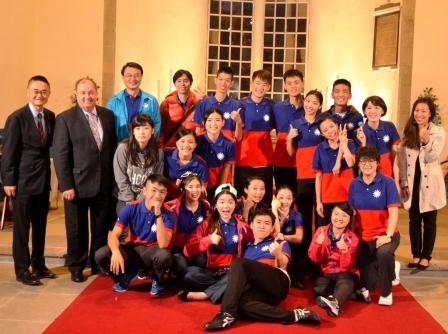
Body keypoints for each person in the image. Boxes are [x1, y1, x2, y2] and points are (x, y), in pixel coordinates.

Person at [203, 206, 320, 331]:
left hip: (278, 281)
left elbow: (283, 263)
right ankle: (295, 315)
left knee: (239, 263)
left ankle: (226, 313)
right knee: (241, 305)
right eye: (258, 222)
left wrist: (278, 254)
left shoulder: (278, 242)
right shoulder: (247, 246)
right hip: (261, 290)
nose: (262, 226)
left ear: (271, 228)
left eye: (267, 223)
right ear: (251, 225)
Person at [53, 77, 117, 283]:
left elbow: (111, 150)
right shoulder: (65, 119)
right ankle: (77, 266)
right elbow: (61, 155)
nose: (87, 96)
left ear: (96, 93)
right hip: (77, 186)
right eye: (83, 93)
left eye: (90, 92)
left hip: (103, 184)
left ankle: (97, 263)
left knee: (100, 227)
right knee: (76, 229)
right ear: (76, 95)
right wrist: (66, 185)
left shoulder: (108, 116)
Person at [1, 75, 56, 285]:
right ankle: (22, 270)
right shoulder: (17, 118)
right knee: (22, 229)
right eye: (35, 91)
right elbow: (9, 153)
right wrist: (8, 181)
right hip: (22, 182)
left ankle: (39, 265)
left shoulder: (50, 116)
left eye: (44, 91)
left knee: (41, 226)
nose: (39, 95)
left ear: (49, 94)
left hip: (42, 181)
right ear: (28, 92)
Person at [95, 174, 175, 295]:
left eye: (162, 192)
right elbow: (113, 234)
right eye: (153, 190)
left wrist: (158, 214)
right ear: (145, 190)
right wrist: (116, 252)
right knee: (102, 255)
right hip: (132, 250)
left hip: (152, 252)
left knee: (165, 256)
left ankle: (157, 280)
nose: (158, 195)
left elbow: (163, 244)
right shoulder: (131, 208)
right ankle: (125, 276)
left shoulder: (169, 213)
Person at [181, 184, 252, 301]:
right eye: (222, 202)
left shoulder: (242, 226)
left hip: (232, 271)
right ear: (215, 205)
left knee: (240, 276)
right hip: (212, 272)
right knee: (189, 274)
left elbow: (255, 241)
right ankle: (224, 290)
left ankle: (206, 294)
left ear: (235, 205)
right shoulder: (206, 225)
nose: (226, 206)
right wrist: (208, 240)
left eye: (230, 202)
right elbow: (187, 250)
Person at [349, 146, 400, 305]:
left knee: (384, 253)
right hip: (364, 236)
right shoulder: (354, 184)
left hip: (385, 233)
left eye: (371, 161)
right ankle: (391, 268)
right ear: (358, 164)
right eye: (363, 161)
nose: (367, 165)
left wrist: (388, 235)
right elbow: (351, 213)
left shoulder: (388, 182)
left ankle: (386, 293)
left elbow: (393, 212)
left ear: (378, 163)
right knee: (369, 284)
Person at [399, 97, 446, 269]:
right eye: (417, 110)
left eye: (423, 111)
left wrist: (426, 141)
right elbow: (402, 159)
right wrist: (403, 182)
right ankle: (416, 255)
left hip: (430, 182)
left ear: (430, 113)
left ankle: (426, 255)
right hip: (412, 181)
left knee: (430, 221)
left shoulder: (438, 132)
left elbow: (432, 157)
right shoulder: (409, 130)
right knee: (414, 220)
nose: (419, 114)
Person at [286, 89, 324, 285]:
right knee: (304, 221)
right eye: (308, 101)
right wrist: (289, 138)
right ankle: (301, 268)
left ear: (319, 106)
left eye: (314, 102)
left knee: (320, 221)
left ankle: (318, 265)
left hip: (320, 177)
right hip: (302, 177)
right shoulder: (297, 124)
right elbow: (291, 152)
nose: (310, 105)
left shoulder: (324, 123)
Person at [308, 203, 359, 317]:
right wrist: (318, 244)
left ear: (349, 219)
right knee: (318, 290)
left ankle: (335, 303)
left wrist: (345, 252)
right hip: (326, 273)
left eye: (344, 216)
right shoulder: (321, 231)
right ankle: (350, 295)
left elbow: (347, 267)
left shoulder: (352, 238)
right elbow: (314, 258)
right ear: (331, 215)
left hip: (345, 273)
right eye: (336, 214)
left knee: (345, 283)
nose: (339, 218)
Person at [235, 69, 275, 203]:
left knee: (264, 202)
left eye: (264, 84)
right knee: (242, 201)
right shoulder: (240, 105)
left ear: (269, 87)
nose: (260, 87)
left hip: (265, 162)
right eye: (257, 83)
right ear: (251, 84)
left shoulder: (271, 106)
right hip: (243, 160)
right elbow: (237, 136)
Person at [164, 172, 211, 281]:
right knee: (182, 268)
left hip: (195, 244)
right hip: (178, 246)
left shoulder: (206, 205)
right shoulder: (172, 207)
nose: (194, 190)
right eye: (190, 187)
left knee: (202, 263)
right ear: (183, 189)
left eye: (197, 186)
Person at [113, 114, 164, 213]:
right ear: (133, 131)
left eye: (146, 128)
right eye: (138, 128)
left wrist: (142, 199)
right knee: (125, 226)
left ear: (152, 131)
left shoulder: (158, 153)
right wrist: (131, 200)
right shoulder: (123, 148)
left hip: (147, 197)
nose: (142, 132)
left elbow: (156, 179)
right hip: (125, 197)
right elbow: (120, 178)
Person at [313, 114, 356, 226]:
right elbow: (318, 176)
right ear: (322, 134)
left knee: (346, 230)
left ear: (337, 125)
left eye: (332, 126)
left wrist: (343, 143)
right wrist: (318, 202)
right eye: (325, 130)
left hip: (347, 194)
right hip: (327, 195)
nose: (330, 131)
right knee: (324, 230)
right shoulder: (320, 148)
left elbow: (351, 163)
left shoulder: (349, 143)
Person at [107, 62, 161, 142]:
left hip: (145, 148)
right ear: (123, 77)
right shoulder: (113, 101)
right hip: (121, 147)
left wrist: (148, 143)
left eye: (137, 75)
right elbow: (108, 127)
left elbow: (157, 124)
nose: (133, 79)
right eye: (129, 75)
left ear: (141, 77)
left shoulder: (151, 101)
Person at [195, 108, 236, 202]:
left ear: (223, 122)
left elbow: (227, 168)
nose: (213, 123)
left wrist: (219, 191)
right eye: (209, 120)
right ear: (203, 122)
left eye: (217, 120)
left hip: (221, 184)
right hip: (201, 185)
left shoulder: (230, 143)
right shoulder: (197, 141)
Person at [273, 69, 304, 190]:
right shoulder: (277, 107)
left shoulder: (310, 106)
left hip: (303, 162)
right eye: (289, 83)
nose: (293, 86)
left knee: (302, 200)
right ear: (285, 86)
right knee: (283, 199)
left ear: (302, 83)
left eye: (296, 82)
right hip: (282, 161)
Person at [192, 66, 242, 140]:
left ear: (231, 83)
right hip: (207, 147)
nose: (223, 83)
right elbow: (198, 131)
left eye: (227, 80)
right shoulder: (203, 103)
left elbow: (238, 137)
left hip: (227, 148)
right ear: (215, 80)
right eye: (220, 79)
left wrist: (238, 122)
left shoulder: (236, 105)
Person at [356, 96, 400, 179]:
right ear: (364, 111)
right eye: (369, 108)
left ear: (382, 111)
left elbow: (396, 151)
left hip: (389, 171)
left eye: (377, 108)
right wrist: (363, 143)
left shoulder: (390, 126)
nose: (373, 111)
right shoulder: (359, 132)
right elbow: (359, 159)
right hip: (369, 172)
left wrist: (397, 178)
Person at [272, 185, 304, 288]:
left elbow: (299, 238)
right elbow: (275, 233)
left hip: (291, 245)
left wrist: (284, 237)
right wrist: (273, 208)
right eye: (281, 197)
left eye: (288, 198)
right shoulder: (270, 211)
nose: (284, 201)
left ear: (293, 199)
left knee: (296, 248)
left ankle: (296, 278)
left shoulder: (296, 214)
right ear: (275, 198)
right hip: (274, 245)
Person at [164, 128, 208, 200]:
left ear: (195, 145)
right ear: (177, 143)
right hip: (164, 198)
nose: (186, 145)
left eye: (190, 142)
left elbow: (201, 191)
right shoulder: (166, 154)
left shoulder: (201, 165)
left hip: (186, 201)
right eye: (182, 141)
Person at [159, 69, 197, 148]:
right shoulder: (166, 104)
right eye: (179, 81)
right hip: (171, 147)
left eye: (185, 81)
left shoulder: (198, 102)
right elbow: (161, 129)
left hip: (191, 147)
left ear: (191, 83)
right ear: (174, 83)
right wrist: (161, 147)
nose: (182, 84)